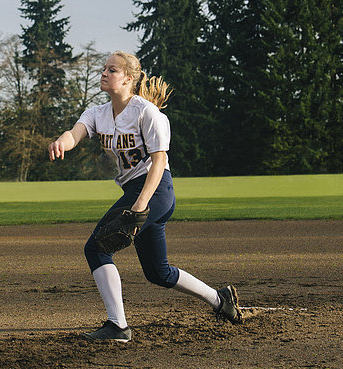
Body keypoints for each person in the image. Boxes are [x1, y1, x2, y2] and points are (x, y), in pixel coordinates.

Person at [48, 51, 243, 342]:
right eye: (104, 69)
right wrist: (61, 143)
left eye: (111, 70)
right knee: (158, 272)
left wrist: (140, 205)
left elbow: (159, 161)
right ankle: (220, 299)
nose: (104, 73)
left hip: (155, 190)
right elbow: (74, 133)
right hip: (137, 192)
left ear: (128, 78)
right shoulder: (98, 113)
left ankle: (118, 326)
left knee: (97, 248)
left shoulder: (146, 113)